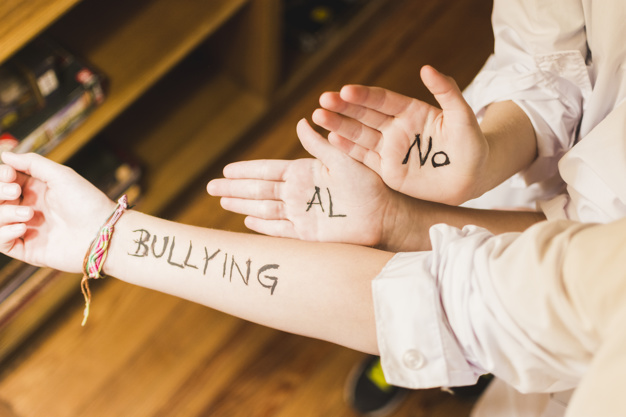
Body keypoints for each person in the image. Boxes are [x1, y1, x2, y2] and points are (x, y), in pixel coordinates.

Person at [209, 0, 626, 415]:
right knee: (427, 311)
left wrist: (401, 228)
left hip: (589, 333)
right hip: (524, 192)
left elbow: (574, 262)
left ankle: (459, 354)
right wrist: (488, 154)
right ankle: (439, 347)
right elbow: (542, 47)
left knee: (463, 321)